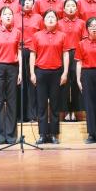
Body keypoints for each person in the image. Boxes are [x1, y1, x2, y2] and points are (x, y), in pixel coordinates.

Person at [29, 10, 68, 144]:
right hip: (40, 72)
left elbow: (66, 54)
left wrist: (65, 73)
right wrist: (32, 73)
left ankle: (53, 134)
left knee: (55, 105)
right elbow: (32, 54)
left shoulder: (62, 35)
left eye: (53, 17)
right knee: (42, 105)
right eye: (48, 17)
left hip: (56, 72)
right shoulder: (37, 36)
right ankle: (42, 134)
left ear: (57, 20)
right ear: (44, 20)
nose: (50, 19)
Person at [0, 6, 21, 144]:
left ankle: (11, 136)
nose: (8, 16)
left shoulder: (17, 32)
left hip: (13, 67)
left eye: (10, 14)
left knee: (12, 102)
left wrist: (20, 72)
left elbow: (19, 52)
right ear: (0, 17)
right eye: (5, 14)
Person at [16, 0, 43, 122]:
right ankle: (20, 115)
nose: (27, 3)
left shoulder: (38, 18)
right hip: (18, 51)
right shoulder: (15, 17)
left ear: (33, 3)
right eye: (25, 1)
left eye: (29, 0)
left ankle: (32, 115)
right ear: (20, 2)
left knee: (33, 83)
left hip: (34, 53)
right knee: (20, 83)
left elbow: (42, 35)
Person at [58, 0, 85, 120]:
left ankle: (75, 110)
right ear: (63, 9)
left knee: (75, 81)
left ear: (77, 8)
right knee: (64, 82)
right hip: (62, 53)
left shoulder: (82, 23)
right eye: (68, 6)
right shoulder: (59, 23)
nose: (70, 8)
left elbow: (84, 40)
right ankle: (64, 111)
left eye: (73, 6)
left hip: (77, 53)